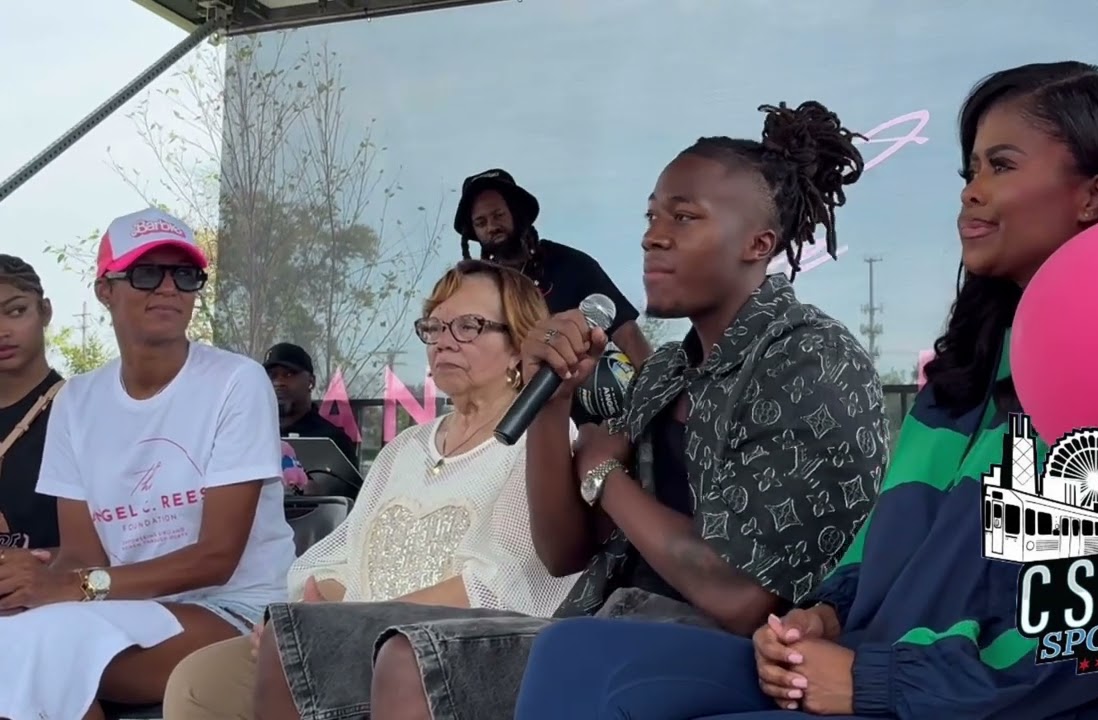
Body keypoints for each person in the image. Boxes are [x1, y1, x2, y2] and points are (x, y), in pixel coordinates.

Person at [512, 62, 1098, 719]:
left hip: (943, 697)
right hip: (866, 670)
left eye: (1001, 166)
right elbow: (878, 554)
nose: (970, 190)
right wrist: (825, 615)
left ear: (1094, 195)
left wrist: (873, 680)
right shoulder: (962, 383)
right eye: (970, 169)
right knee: (577, 656)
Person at [250, 100, 888, 720]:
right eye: (651, 216)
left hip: (735, 648)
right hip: (614, 618)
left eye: (684, 218)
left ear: (758, 242)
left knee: (413, 661)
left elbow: (742, 596)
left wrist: (604, 477)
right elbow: (564, 552)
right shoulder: (667, 371)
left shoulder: (807, 359)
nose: (652, 237)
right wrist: (553, 405)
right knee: (299, 638)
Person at [163, 260, 580, 720]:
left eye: (468, 326)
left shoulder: (543, 444)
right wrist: (312, 612)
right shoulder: (405, 448)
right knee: (201, 681)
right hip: (348, 639)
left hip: (452, 656)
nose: (443, 340)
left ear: (520, 343)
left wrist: (351, 626)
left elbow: (507, 583)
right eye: (435, 326)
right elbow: (339, 557)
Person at [0, 208, 295, 719]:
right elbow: (81, 555)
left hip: (237, 611)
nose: (168, 288)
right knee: (25, 643)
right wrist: (24, 582)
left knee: (34, 653)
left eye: (185, 275)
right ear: (104, 290)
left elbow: (215, 559)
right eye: (145, 273)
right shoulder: (79, 401)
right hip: (119, 609)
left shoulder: (236, 381)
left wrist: (71, 588)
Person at [456, 168, 651, 370]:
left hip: (572, 394)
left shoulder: (570, 265)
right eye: (481, 222)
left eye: (498, 215)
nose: (491, 227)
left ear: (516, 214)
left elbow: (626, 332)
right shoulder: (473, 290)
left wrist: (660, 391)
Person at [0, 255, 62, 552]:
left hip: (59, 594)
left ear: (45, 311)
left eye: (16, 311)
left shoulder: (80, 409)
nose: (2, 331)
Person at [264, 342, 360, 474]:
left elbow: (350, 492)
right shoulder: (252, 435)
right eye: (271, 376)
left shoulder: (332, 441)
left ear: (311, 382)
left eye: (289, 375)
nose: (278, 383)